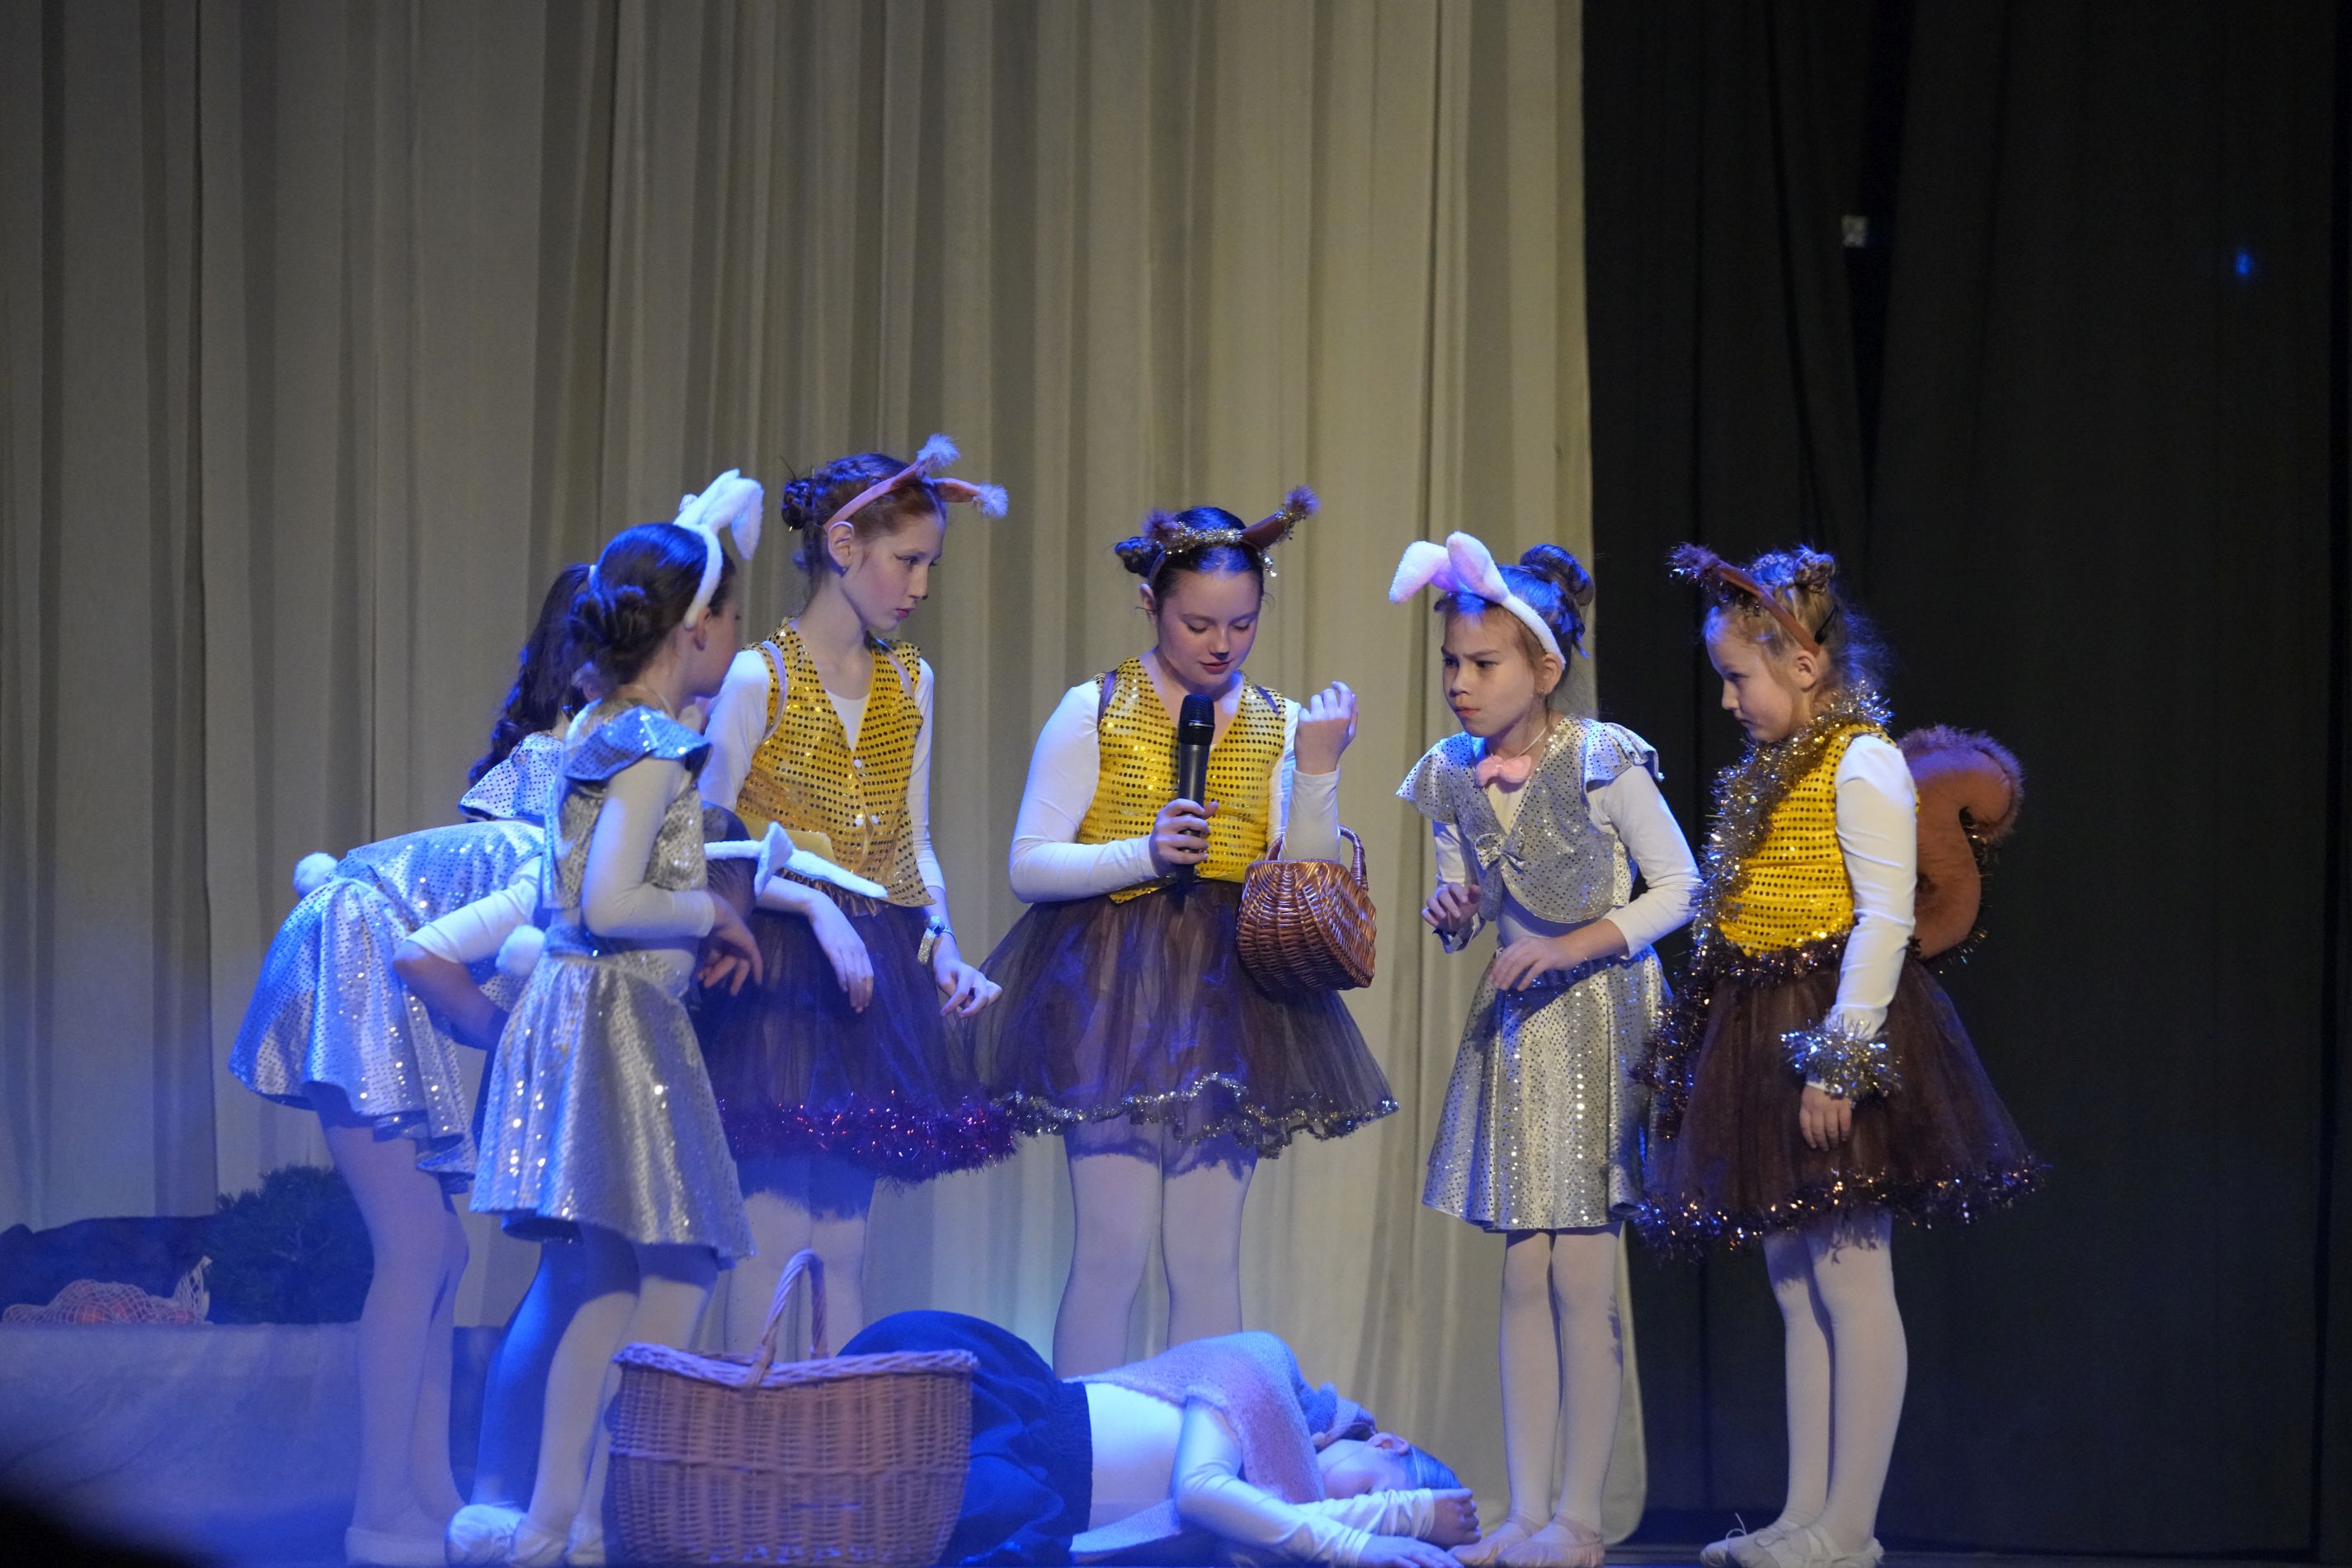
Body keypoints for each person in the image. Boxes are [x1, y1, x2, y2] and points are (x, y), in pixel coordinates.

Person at [1635, 544, 2042, 1568]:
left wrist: (1838, 1060)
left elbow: (1885, 917)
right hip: (1763, 1022)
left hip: (1834, 1025)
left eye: (1738, 675)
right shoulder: (1775, 765)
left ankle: (1850, 1526)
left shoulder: (1859, 759)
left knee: (1851, 1278)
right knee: (1794, 1281)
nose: (1727, 698)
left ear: (1805, 663)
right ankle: (1804, 1511)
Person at [974, 490, 1397, 1375]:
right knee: (1111, 1248)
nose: (1220, 644)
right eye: (1197, 622)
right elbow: (1028, 862)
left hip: (1228, 997)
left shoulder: (1280, 720)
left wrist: (1318, 769)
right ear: (1150, 603)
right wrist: (1142, 852)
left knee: (1206, 1257)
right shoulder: (1094, 706)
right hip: (1108, 990)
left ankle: (1203, 1445)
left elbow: (1305, 873)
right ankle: (1093, 1447)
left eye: (1241, 624)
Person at [226, 563, 587, 1568]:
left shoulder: (570, 783)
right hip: (354, 946)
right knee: (417, 1249)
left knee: (443, 1252)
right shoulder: (574, 788)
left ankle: (428, 1494)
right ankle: (378, 1505)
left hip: (373, 948)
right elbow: (486, 967)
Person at [467, 487, 766, 1566]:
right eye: (729, 617)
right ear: (694, 627)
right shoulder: (651, 747)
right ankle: (589, 1513)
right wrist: (708, 909)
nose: (735, 637)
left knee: (607, 1278)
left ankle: (558, 1520)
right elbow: (607, 900)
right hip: (617, 1013)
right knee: (684, 1266)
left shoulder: (599, 726)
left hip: (585, 1008)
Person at [1389, 534, 1697, 1568]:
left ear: (1545, 667)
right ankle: (1523, 1510)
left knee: (1580, 1272)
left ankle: (1580, 1516)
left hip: (1602, 1017)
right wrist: (1455, 912)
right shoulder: (1450, 772)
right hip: (1520, 1029)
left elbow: (1678, 887)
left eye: (1484, 664)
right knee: (1524, 1271)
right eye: (1451, 662)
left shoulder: (1603, 756)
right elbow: (1471, 897)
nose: (1460, 682)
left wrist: (1572, 943)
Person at [696, 436, 1016, 1350]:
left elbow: (910, 839)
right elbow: (707, 841)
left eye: (929, 565)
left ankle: (831, 1426)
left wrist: (941, 943)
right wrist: (806, 902)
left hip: (870, 970)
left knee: (842, 1239)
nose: (920, 584)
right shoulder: (761, 676)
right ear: (842, 546)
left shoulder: (910, 679)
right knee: (772, 1231)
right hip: (774, 971)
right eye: (906, 560)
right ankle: (753, 1423)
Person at [844, 1306, 1472, 1567]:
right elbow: (1199, 1490)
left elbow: (1276, 1516)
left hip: (1031, 1509)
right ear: (1385, 1443)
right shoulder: (1266, 1367)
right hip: (1002, 1423)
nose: (1343, 1506)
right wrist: (1379, 1531)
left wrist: (1400, 1525)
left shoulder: (1265, 1530)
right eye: (1369, 1493)